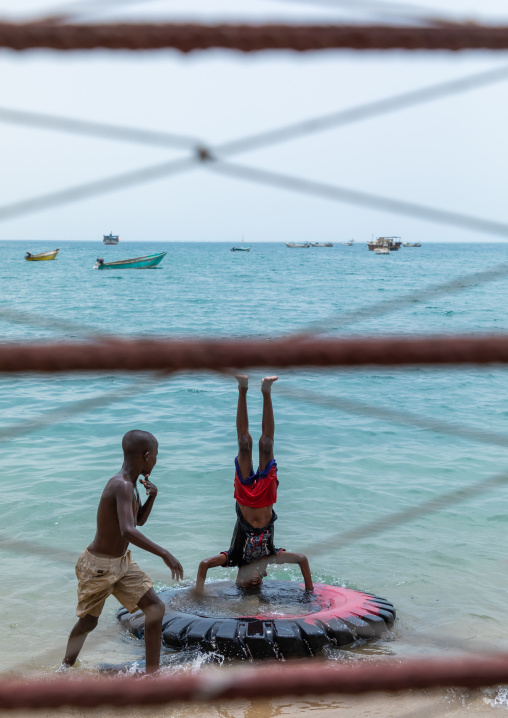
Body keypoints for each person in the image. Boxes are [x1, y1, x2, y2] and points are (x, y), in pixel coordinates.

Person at [60, 430, 183, 673]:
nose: (156, 461)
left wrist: (152, 497)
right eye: (156, 456)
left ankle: (152, 675)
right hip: (99, 566)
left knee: (155, 608)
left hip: (122, 563)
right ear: (146, 456)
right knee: (88, 622)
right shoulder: (122, 485)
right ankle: (64, 668)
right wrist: (164, 553)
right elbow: (128, 531)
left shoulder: (132, 486)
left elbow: (137, 521)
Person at [195, 376, 313, 593]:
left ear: (238, 577)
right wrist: (309, 593)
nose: (254, 580)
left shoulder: (233, 557)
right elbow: (302, 559)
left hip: (244, 498)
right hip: (267, 498)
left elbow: (204, 565)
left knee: (244, 444)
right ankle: (266, 391)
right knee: (266, 445)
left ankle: (242, 388)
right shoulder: (270, 556)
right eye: (257, 582)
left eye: (247, 581)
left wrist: (198, 595)